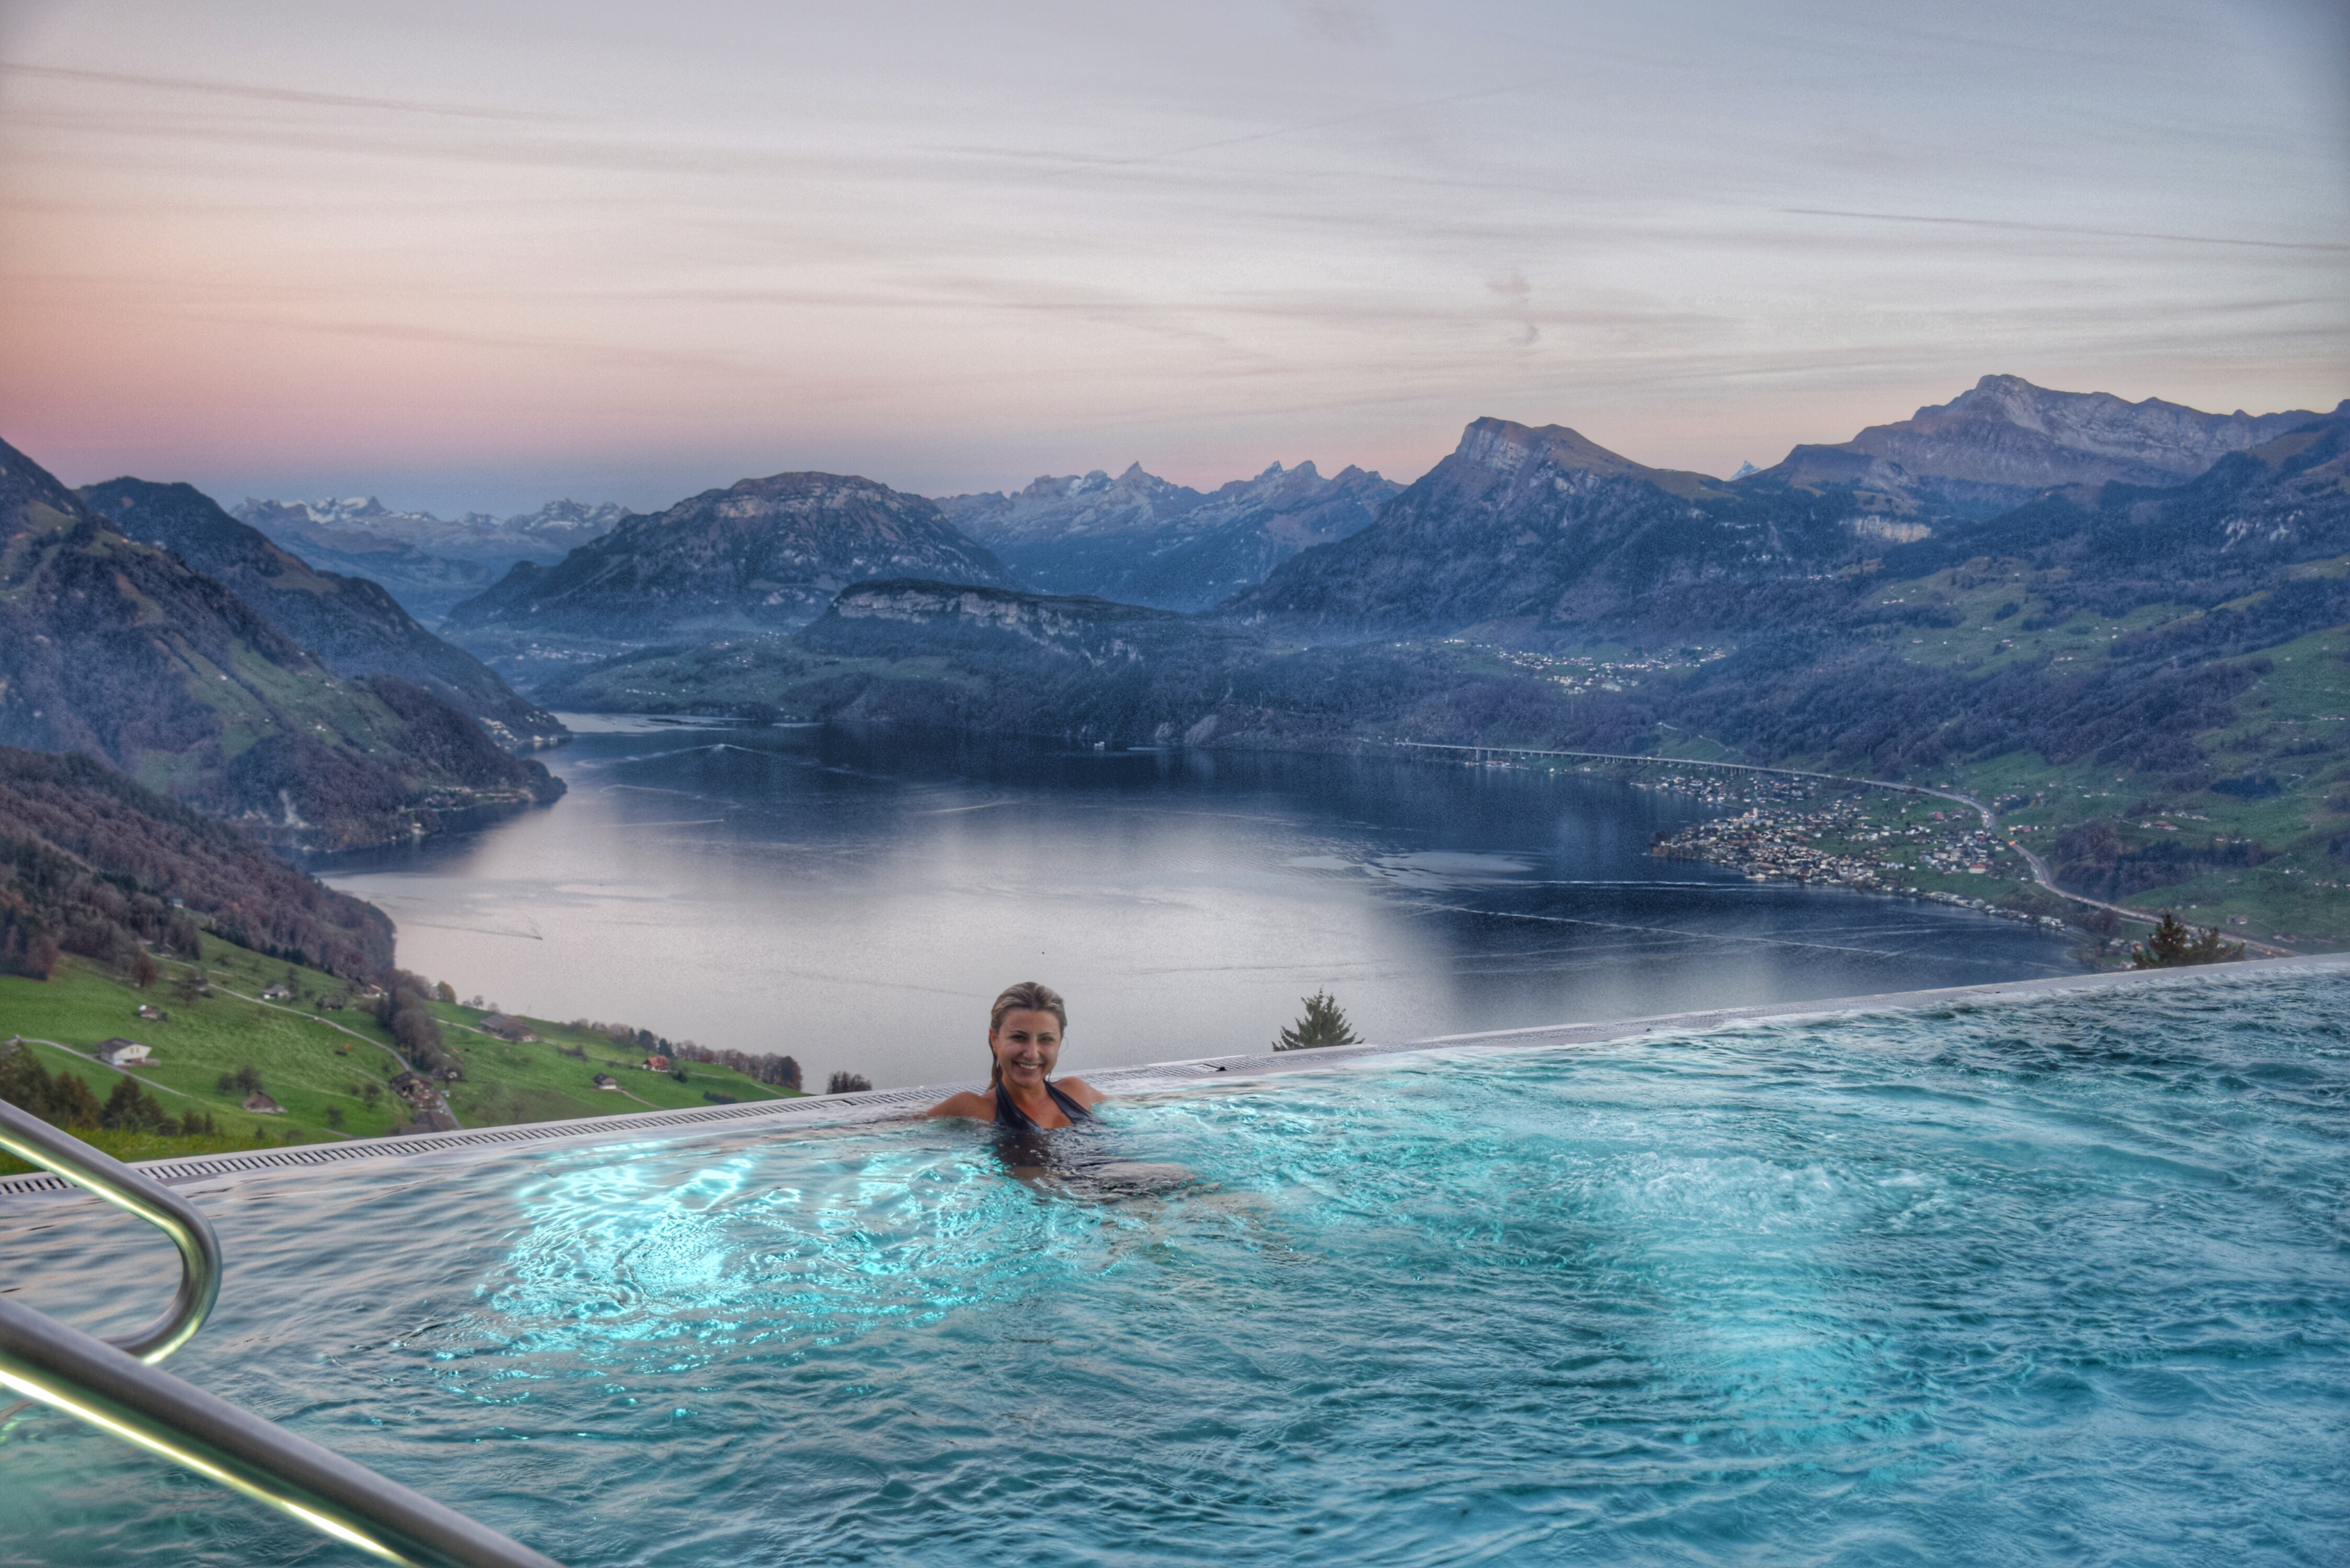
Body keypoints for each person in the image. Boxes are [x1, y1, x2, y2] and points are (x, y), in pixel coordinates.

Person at [926, 981, 1105, 1131]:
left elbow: (1131, 1107)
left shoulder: (1077, 1092)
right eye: (1019, 1037)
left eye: (1046, 1040)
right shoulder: (971, 1109)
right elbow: (901, 1136)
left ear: (1059, 1043)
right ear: (995, 1039)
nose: (1032, 1053)